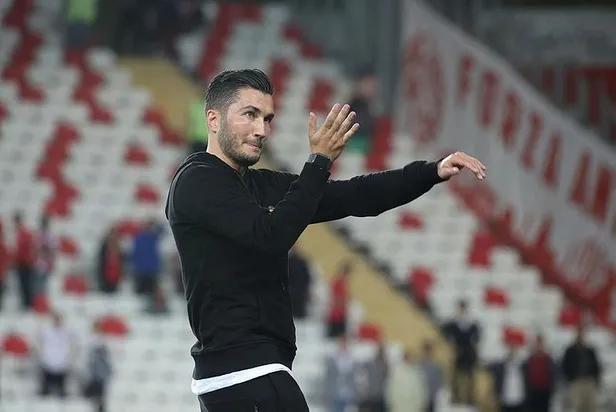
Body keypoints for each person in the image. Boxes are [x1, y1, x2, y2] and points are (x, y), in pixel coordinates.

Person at [165, 68, 487, 411]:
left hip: (246, 375)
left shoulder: (256, 185)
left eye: (268, 118)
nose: (262, 130)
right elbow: (271, 236)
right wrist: (318, 162)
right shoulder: (197, 180)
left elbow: (353, 196)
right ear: (213, 120)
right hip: (245, 375)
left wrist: (430, 171)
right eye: (250, 114)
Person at [562, 325, 601, 412]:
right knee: (578, 406)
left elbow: (596, 366)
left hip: (589, 381)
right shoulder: (570, 351)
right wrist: (570, 378)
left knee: (590, 406)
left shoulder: (590, 351)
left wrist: (596, 379)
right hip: (577, 381)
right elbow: (565, 366)